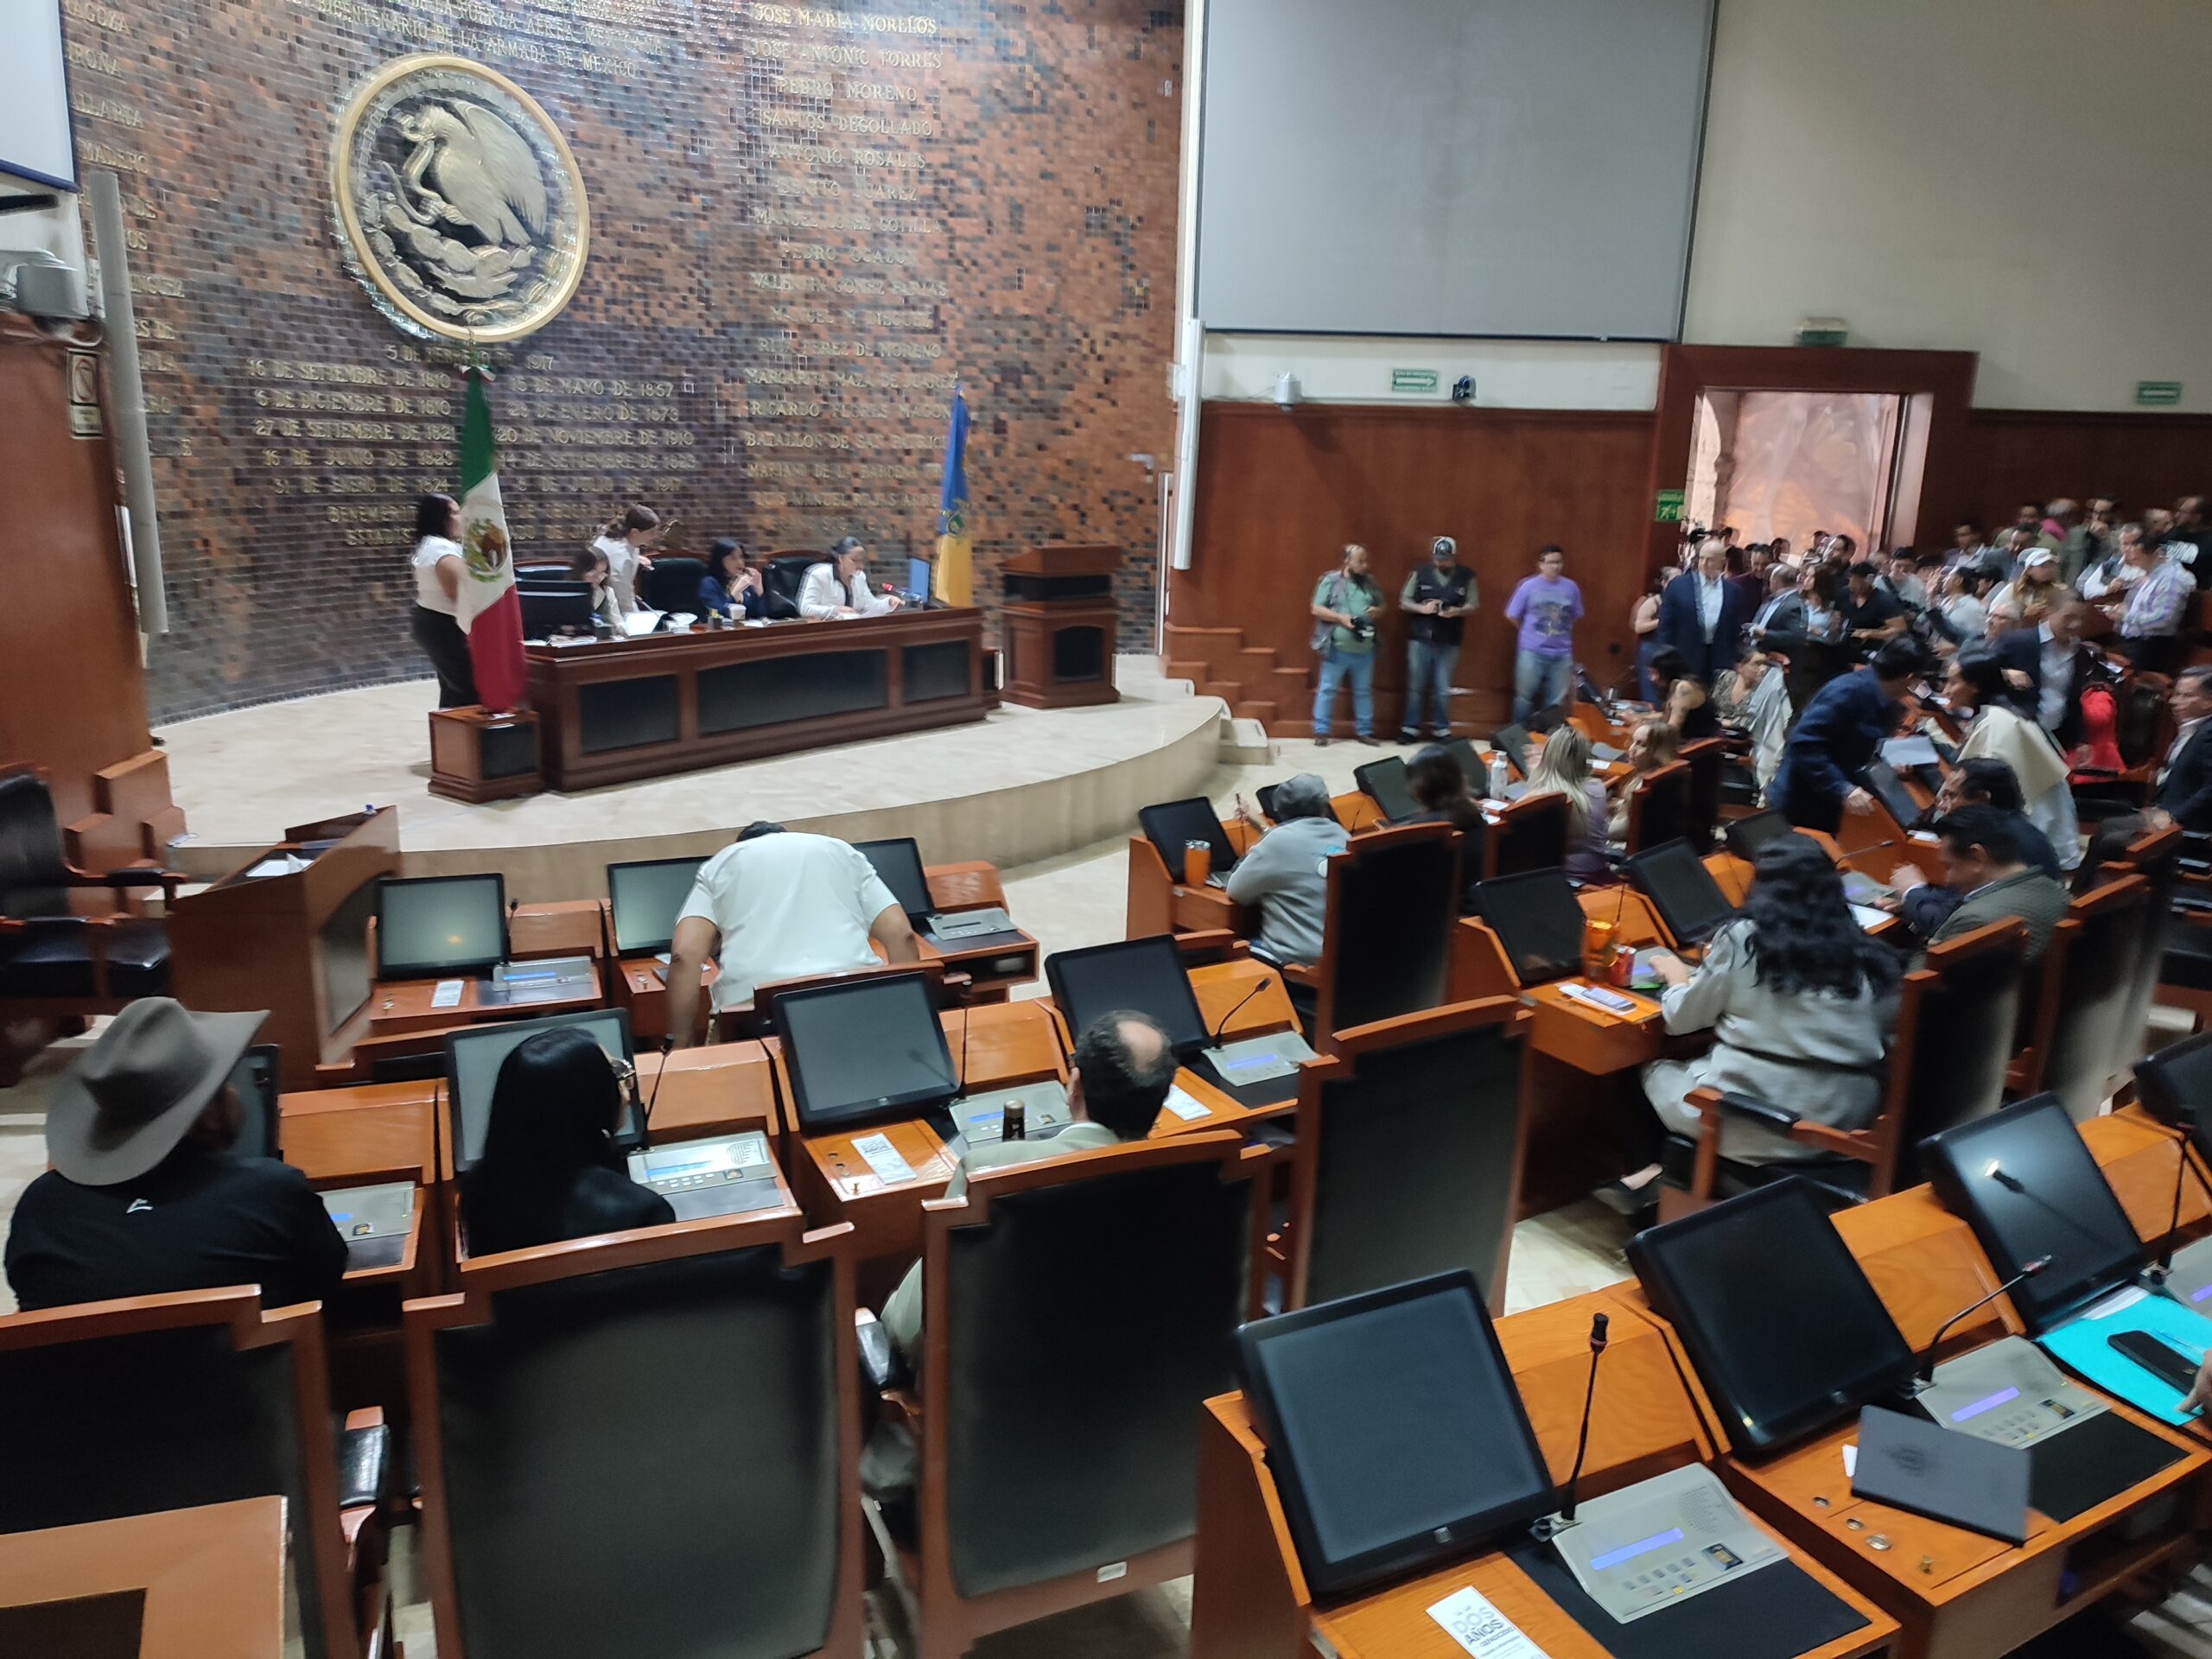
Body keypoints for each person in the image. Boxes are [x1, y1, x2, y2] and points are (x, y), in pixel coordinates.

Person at [1594, 836, 1899, 1216]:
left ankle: (1648, 1186)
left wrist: (1676, 979)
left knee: (1647, 1070)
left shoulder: (1746, 939)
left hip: (1765, 1119)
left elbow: (1680, 1020)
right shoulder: (1866, 950)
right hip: (1844, 1120)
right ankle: (1657, 1176)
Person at [4, 1000, 346, 1313]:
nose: (235, 1091)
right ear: (209, 1116)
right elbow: (324, 1284)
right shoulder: (273, 1191)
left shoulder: (41, 1209)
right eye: (225, 1082)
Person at [879, 1010, 1178, 1363]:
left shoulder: (985, 1172)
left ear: (1075, 1084)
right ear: (1161, 1099)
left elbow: (908, 1330)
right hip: (1133, 1373)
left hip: (996, 1384)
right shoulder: (1188, 1173)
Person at [666, 823, 920, 1045]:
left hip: (757, 1017)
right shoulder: (839, 850)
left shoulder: (722, 863)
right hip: (856, 997)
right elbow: (902, 934)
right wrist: (908, 1018)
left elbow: (684, 955)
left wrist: (681, 1047)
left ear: (740, 845)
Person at [460, 1027, 675, 1255]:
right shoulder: (642, 1212)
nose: (625, 1092)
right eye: (615, 1074)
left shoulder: (478, 1193)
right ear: (591, 1100)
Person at [1769, 637, 1923, 833]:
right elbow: (1803, 744)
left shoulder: (1890, 702)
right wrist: (1842, 788)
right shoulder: (1848, 692)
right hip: (1800, 803)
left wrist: (1892, 760)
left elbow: (1864, 747)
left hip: (1830, 805)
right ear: (1910, 677)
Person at [1903, 806, 2071, 963]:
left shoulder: (1973, 921)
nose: (1948, 880)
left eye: (1949, 867)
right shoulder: (2058, 893)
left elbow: (1923, 976)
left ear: (1977, 858)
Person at [1227, 773, 1349, 967]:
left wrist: (1257, 850)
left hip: (1299, 962)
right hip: (1343, 959)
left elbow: (1236, 892)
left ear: (1279, 810)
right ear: (1324, 805)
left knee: (1229, 948)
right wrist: (1263, 829)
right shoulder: (1341, 834)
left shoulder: (1277, 843)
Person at [1989, 591, 2093, 749]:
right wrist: (2005, 673)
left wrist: (2081, 740)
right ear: (2050, 611)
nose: (2075, 625)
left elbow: (2073, 699)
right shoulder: (2017, 642)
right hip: (2016, 730)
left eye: (2081, 619)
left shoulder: (2080, 653)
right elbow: (1979, 669)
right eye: (2069, 617)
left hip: (2056, 737)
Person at [1397, 536, 1477, 741]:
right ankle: (1410, 728)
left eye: (1446, 559)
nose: (1441, 563)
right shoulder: (1420, 572)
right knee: (1416, 686)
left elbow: (1473, 604)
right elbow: (1404, 601)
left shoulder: (1466, 576)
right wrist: (1422, 609)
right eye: (1438, 559)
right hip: (1420, 638)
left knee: (1442, 688)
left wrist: (1456, 611)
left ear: (1453, 557)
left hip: (1449, 639)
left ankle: (1441, 729)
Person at [1309, 543, 1382, 746]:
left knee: (1364, 691)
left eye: (1366, 561)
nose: (1365, 565)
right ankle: (1321, 732)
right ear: (1347, 561)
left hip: (1365, 649)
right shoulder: (1330, 581)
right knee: (1328, 690)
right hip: (1337, 649)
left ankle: (1365, 732)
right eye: (1360, 561)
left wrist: (1377, 611)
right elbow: (1316, 608)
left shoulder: (1370, 583)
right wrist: (1340, 618)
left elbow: (1382, 605)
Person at [409, 493, 478, 708]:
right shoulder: (440, 549)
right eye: (456, 513)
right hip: (446, 628)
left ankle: (450, 728)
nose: (462, 518)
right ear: (441, 519)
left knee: (454, 690)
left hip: (435, 624)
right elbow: (460, 592)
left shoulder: (433, 544)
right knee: (470, 691)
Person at [1655, 537, 1752, 687]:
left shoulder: (1733, 591)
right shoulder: (1679, 585)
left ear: (1722, 562)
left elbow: (1734, 629)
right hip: (1684, 656)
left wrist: (1734, 658)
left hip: (1719, 658)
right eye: (1701, 558)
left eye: (1710, 560)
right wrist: (1664, 659)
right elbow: (1666, 625)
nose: (1704, 564)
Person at [1503, 545, 1585, 721]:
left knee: (1555, 703)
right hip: (1532, 652)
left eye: (1559, 562)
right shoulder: (1528, 586)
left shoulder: (1571, 588)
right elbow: (1512, 614)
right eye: (1551, 562)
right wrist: (1528, 632)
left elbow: (1576, 615)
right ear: (1540, 564)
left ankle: (1548, 736)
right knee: (1524, 698)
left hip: (1562, 653)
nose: (1556, 566)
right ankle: (1520, 734)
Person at [1522, 722, 1609, 882]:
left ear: (1548, 758)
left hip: (1567, 876)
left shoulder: (1544, 797)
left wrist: (1537, 776)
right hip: (1599, 869)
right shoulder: (1598, 786)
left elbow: (1512, 814)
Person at [1405, 743, 1487, 912]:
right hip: (1481, 904)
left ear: (1419, 790)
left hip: (1452, 915)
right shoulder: (1475, 815)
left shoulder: (1424, 831)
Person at [2107, 524, 2196, 677]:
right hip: (2134, 643)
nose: (2134, 563)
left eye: (2137, 558)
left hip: (2151, 648)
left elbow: (2164, 619)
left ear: (2155, 553)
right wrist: (2119, 614)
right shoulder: (2150, 575)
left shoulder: (2171, 578)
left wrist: (2126, 616)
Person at [1715, 643, 1791, 793]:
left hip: (1743, 740)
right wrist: (1722, 722)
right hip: (1716, 733)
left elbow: (1753, 722)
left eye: (1764, 664)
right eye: (1756, 664)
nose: (1762, 669)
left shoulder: (1766, 692)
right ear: (1739, 667)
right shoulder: (1725, 678)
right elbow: (1712, 708)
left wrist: (1725, 722)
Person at [2152, 666, 2212, 834]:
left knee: (2111, 838)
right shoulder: (2192, 729)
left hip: (2190, 828)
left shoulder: (2209, 733)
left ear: (2209, 701)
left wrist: (2174, 817)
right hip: (2165, 816)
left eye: (2185, 696)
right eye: (2176, 694)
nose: (2173, 701)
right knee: (2110, 827)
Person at [1607, 719, 1681, 843]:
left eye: (1641, 745)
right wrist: (1617, 805)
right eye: (1633, 741)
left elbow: (1614, 832)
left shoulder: (1647, 785)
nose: (1631, 749)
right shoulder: (1664, 775)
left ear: (1658, 751)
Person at [799, 536, 902, 620]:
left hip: (852, 629)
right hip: (824, 630)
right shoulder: (819, 574)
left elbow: (870, 606)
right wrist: (835, 610)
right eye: (855, 560)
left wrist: (889, 603)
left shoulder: (860, 577)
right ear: (840, 558)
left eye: (862, 561)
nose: (860, 566)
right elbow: (805, 608)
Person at [590, 505, 660, 615]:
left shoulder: (623, 539)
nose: (656, 536)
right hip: (605, 611)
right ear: (635, 532)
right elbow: (624, 603)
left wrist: (637, 558)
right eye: (651, 532)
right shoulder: (621, 557)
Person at [1647, 646, 1719, 741]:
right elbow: (1666, 717)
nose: (1652, 678)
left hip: (1702, 743)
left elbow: (1672, 729)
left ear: (1668, 671)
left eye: (1655, 673)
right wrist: (1639, 718)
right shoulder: (1673, 686)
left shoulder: (1683, 687)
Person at [1839, 560, 1909, 658]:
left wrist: (1872, 634)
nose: (1851, 586)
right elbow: (1837, 615)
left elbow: (1900, 629)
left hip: (1871, 650)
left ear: (1869, 580)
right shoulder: (1844, 593)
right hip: (1844, 644)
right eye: (1849, 580)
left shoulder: (1884, 601)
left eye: (1856, 583)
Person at [1630, 565, 1677, 702]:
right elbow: (1639, 627)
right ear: (1664, 582)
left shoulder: (1679, 602)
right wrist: (1661, 621)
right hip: (1651, 649)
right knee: (1651, 691)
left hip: (1669, 650)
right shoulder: (1654, 601)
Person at [697, 538, 768, 621]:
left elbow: (760, 613)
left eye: (741, 557)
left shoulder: (745, 582)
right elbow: (717, 615)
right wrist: (735, 593)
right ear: (720, 560)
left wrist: (759, 592)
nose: (740, 562)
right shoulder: (708, 583)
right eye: (733, 558)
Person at [569, 544, 623, 628]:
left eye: (602, 573)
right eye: (593, 572)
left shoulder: (608, 592)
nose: (598, 578)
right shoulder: (566, 593)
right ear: (581, 570)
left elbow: (618, 622)